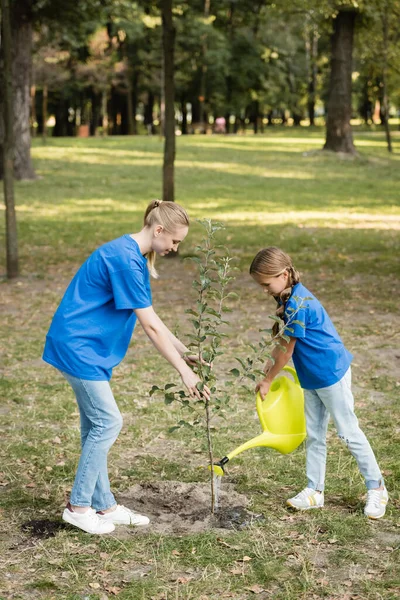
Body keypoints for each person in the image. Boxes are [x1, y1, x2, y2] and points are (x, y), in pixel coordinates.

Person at [42, 200, 210, 534]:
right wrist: (183, 372)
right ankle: (78, 507)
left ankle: (104, 506)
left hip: (86, 347)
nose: (175, 249)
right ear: (158, 230)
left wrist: (184, 352)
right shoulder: (125, 262)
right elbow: (149, 327)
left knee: (96, 426)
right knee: (108, 421)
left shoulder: (129, 254)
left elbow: (152, 319)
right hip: (79, 347)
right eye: (174, 242)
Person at [250, 247, 388, 519]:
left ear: (284, 274)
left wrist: (268, 379)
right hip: (310, 376)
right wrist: (271, 360)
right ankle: (315, 490)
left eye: (266, 284)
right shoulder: (288, 299)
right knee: (314, 434)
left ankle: (377, 487)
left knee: (348, 432)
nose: (264, 290)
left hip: (329, 374)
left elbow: (288, 349)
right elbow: (284, 342)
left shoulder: (299, 304)